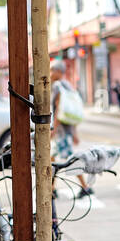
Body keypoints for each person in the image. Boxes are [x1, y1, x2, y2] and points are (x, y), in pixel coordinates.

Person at [51, 58, 90, 196]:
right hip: (66, 129)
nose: (49, 73)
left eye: (51, 70)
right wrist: (74, 132)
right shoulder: (67, 85)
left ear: (57, 71)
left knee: (67, 159)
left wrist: (53, 130)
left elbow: (59, 109)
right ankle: (51, 189)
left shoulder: (57, 86)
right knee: (53, 159)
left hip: (60, 130)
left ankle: (85, 187)